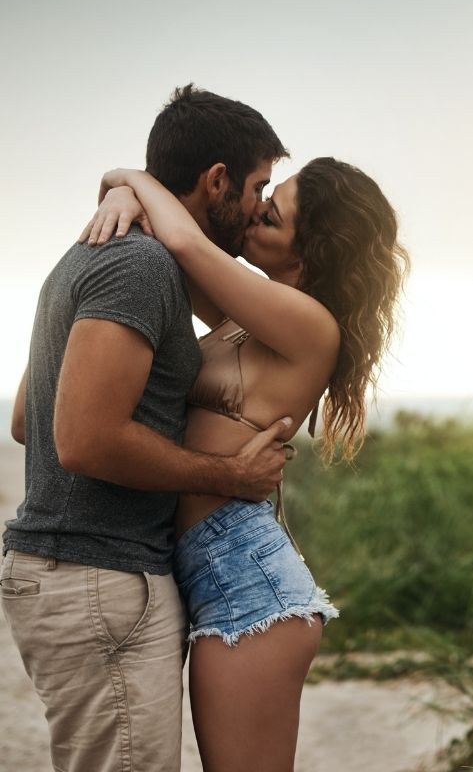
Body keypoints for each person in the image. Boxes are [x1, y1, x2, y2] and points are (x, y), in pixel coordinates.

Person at [80, 155, 410, 771]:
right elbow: (173, 247)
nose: (252, 217)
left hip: (247, 586)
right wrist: (120, 195)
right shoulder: (249, 318)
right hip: (219, 575)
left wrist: (129, 176)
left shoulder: (309, 324)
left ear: (312, 249)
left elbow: (182, 239)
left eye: (272, 215)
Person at [1, 85, 293, 772]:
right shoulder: (138, 266)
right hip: (99, 575)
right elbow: (82, 440)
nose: (258, 207)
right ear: (216, 179)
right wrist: (231, 476)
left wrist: (123, 185)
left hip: (82, 574)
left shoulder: (106, 254)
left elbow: (25, 420)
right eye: (258, 186)